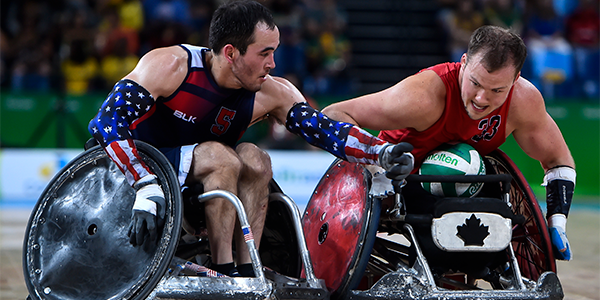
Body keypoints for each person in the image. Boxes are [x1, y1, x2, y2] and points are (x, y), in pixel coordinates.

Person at [88, 0, 412, 277]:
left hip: (201, 184)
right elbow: (106, 121)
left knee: (255, 158)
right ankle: (222, 271)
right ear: (231, 53)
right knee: (221, 156)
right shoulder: (171, 65)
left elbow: (325, 130)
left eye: (275, 53)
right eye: (264, 53)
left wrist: (380, 153)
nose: (272, 64)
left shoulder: (272, 91)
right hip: (140, 169)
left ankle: (246, 271)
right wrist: (144, 182)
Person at [321, 25, 575, 261]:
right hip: (399, 181)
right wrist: (377, 161)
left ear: (516, 79)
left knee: (495, 215)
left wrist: (557, 223)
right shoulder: (422, 96)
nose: (481, 98)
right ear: (463, 62)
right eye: (475, 83)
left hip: (465, 185)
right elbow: (333, 114)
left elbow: (558, 160)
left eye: (497, 90)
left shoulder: (523, 101)